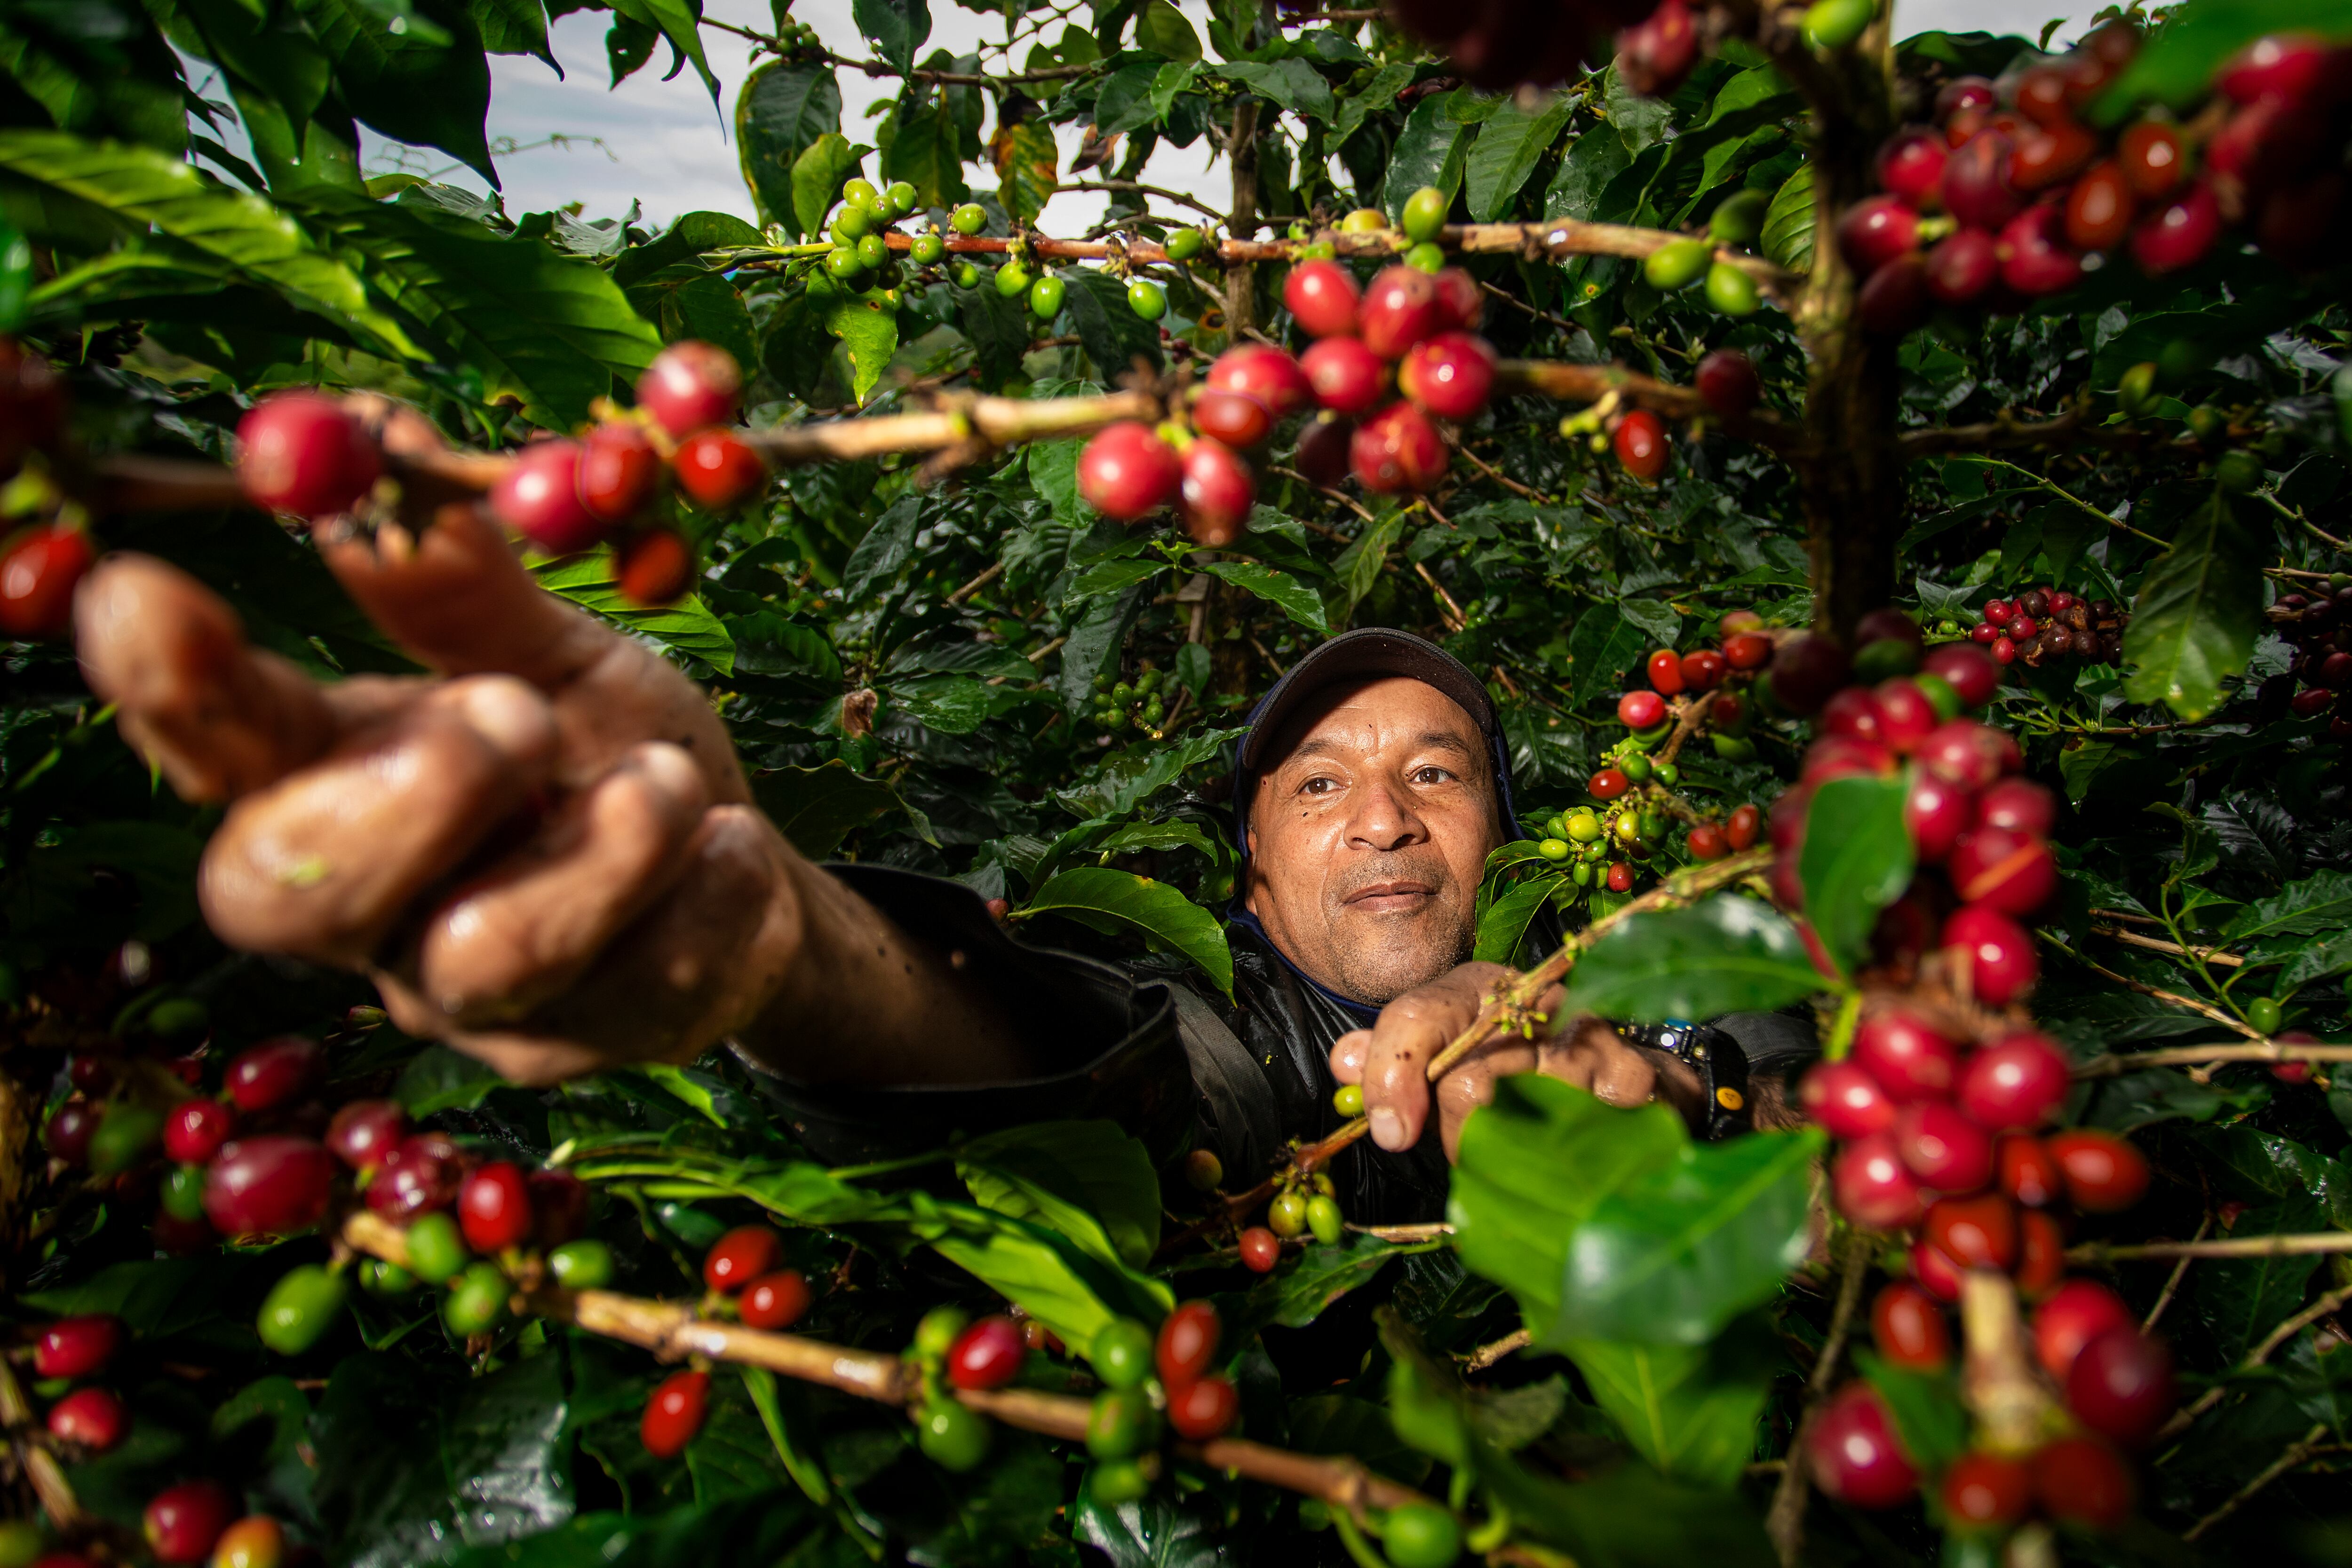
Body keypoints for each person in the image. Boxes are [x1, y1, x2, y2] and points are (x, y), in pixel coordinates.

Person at [73, 500, 1810, 1224]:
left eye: (1437, 772)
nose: (1383, 818)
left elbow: (1830, 1084)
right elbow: (1120, 1071)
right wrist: (794, 950)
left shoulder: (1644, 964)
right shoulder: (1227, 1024)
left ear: (1504, 829)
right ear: (1251, 870)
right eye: (1319, 785)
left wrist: (1672, 1075)